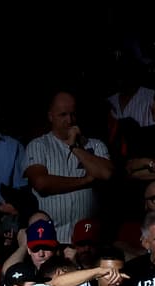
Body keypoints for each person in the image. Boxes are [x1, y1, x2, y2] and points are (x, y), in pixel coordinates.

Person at [23, 89, 113, 244]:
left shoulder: (95, 145)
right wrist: (85, 181)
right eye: (63, 115)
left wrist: (75, 147)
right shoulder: (38, 145)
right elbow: (41, 183)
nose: (70, 120)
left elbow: (106, 173)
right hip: (50, 239)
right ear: (50, 116)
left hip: (87, 240)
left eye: (73, 114)